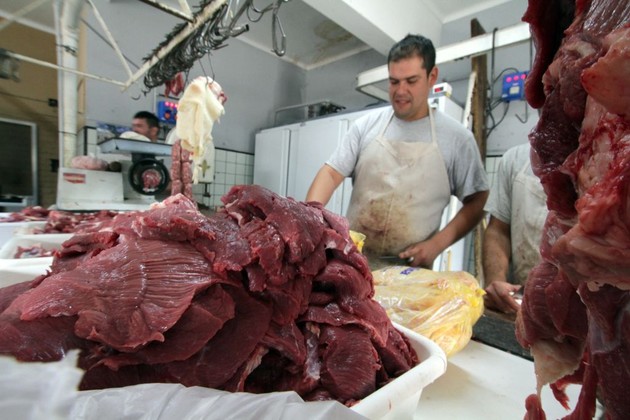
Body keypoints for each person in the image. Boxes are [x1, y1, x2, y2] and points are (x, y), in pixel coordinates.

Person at [305, 34, 489, 268]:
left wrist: (437, 244)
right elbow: (331, 174)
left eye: (411, 81)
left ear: (432, 77)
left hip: (410, 272)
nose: (400, 91)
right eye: (394, 81)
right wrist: (309, 219)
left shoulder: (457, 139)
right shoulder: (366, 126)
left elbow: (478, 201)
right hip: (352, 263)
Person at [482, 142, 548, 314]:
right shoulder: (516, 159)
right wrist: (496, 281)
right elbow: (498, 231)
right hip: (519, 305)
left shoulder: (606, 162)